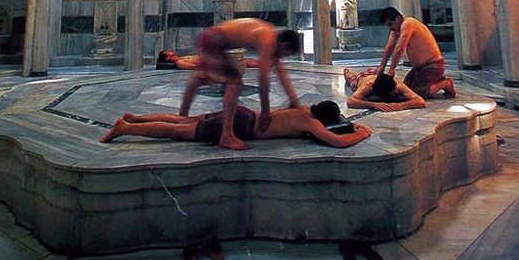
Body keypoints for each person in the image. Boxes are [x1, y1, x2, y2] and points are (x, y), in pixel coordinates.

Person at [178, 18, 302, 150]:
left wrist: (295, 102)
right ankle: (226, 135)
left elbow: (281, 73)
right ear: (284, 45)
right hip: (213, 40)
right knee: (235, 83)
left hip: (211, 38)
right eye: (285, 54)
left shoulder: (271, 36)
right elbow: (263, 78)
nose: (282, 57)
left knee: (199, 78)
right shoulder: (268, 41)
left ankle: (181, 116)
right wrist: (265, 110)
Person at [99, 100, 372, 149]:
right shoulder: (311, 123)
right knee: (177, 132)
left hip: (243, 113)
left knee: (184, 120)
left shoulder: (299, 108)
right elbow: (337, 142)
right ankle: (126, 128)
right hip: (242, 127)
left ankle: (135, 118)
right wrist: (361, 132)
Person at [376, 7, 456, 98]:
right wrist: (381, 67)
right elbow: (389, 48)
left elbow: (400, 48)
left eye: (390, 24)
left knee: (418, 94)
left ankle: (445, 83)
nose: (390, 28)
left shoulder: (408, 23)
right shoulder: (396, 29)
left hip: (433, 65)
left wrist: (391, 70)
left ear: (397, 19)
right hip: (419, 68)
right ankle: (436, 80)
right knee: (406, 90)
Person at [345, 69, 426, 112]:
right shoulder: (368, 85)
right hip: (363, 77)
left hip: (377, 77)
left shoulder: (398, 85)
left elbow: (420, 101)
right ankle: (347, 72)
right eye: (393, 92)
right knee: (352, 82)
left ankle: (373, 71)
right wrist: (373, 105)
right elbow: (350, 102)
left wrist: (402, 105)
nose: (396, 92)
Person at [156, 49, 261, 70]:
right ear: (167, 57)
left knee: (242, 60)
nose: (170, 50)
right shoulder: (179, 63)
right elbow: (195, 66)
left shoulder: (181, 58)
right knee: (243, 62)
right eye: (167, 51)